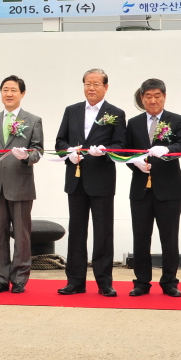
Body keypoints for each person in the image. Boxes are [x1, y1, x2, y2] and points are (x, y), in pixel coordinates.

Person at [55, 68, 127, 297]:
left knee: (103, 231)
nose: (91, 88)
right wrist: (68, 152)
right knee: (77, 231)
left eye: (97, 84)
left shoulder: (115, 113)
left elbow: (121, 146)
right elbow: (60, 141)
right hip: (76, 179)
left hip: (102, 180)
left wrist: (105, 151)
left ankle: (104, 281)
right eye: (88, 83)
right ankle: (75, 281)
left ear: (106, 87)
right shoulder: (72, 110)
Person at [124, 78, 181, 297]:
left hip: (169, 189)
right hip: (141, 188)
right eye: (148, 96)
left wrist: (167, 149)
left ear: (164, 96)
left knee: (169, 237)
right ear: (142, 98)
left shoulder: (177, 120)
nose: (153, 100)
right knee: (141, 236)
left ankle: (170, 282)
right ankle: (141, 282)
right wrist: (135, 163)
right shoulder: (133, 123)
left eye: (157, 96)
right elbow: (125, 151)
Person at [0, 75, 43, 294]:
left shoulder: (33, 120)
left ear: (22, 93)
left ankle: (20, 278)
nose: (9, 94)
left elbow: (38, 150)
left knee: (22, 235)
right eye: (5, 90)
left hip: (21, 185)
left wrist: (26, 156)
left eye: (13, 90)